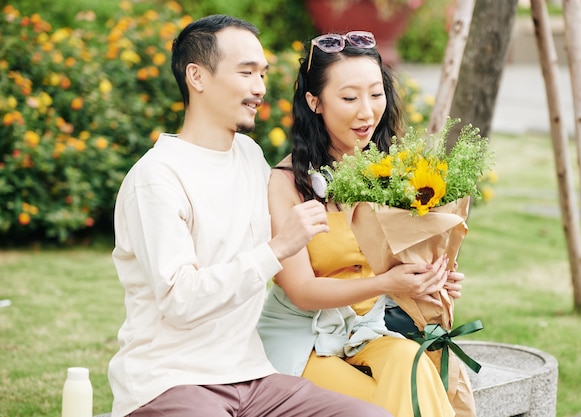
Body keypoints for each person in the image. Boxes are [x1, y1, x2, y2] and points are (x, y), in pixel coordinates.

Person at [107, 15, 395, 417]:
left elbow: (319, 243)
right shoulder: (157, 178)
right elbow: (181, 300)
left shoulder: (249, 157)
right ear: (197, 77)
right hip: (171, 382)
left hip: (254, 377)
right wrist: (276, 249)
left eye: (262, 74)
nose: (259, 88)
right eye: (245, 73)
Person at [257, 31, 464, 417]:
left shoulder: (389, 172)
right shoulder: (284, 183)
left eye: (375, 94)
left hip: (367, 333)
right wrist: (388, 283)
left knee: (412, 362)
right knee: (376, 407)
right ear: (314, 102)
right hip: (302, 341)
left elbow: (395, 266)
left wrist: (431, 278)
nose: (367, 111)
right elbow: (301, 290)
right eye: (350, 98)